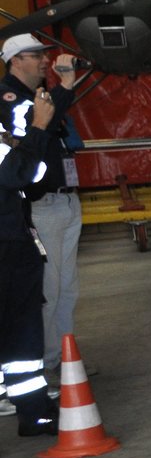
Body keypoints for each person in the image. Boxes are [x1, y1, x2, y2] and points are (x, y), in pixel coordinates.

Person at [1, 35, 83, 381]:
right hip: (38, 205)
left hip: (63, 197)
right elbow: (35, 131)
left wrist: (61, 88)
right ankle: (44, 363)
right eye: (36, 56)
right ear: (15, 60)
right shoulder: (9, 100)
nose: (45, 61)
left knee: (66, 288)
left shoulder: (40, 96)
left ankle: (62, 358)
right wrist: (62, 89)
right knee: (47, 290)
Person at [0, 80, 60, 437]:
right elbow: (20, 175)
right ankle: (34, 412)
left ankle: (33, 410)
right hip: (7, 245)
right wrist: (37, 127)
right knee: (20, 333)